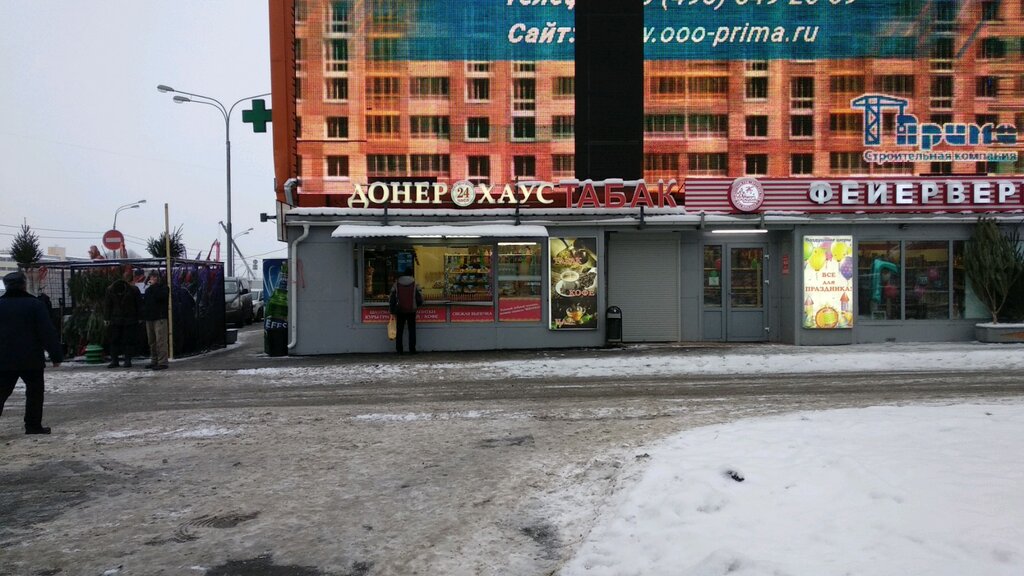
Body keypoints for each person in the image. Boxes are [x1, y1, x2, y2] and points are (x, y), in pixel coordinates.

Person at [0, 271, 63, 435]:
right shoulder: (35, 305)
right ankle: (33, 425)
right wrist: (56, 355)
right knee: (35, 392)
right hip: (31, 358)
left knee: (1, 392)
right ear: (24, 285)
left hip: (4, 358)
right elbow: (47, 332)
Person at [104, 270, 142, 368]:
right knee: (117, 340)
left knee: (124, 340)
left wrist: (107, 318)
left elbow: (139, 304)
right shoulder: (112, 290)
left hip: (125, 319)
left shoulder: (132, 290)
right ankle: (119, 360)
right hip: (121, 319)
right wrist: (107, 318)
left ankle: (122, 360)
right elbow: (107, 305)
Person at [389, 267, 423, 355]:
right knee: (412, 330)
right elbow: (420, 296)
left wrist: (392, 310)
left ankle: (399, 350)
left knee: (399, 330)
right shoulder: (415, 283)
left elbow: (392, 297)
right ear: (412, 274)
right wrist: (418, 305)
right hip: (412, 310)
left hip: (400, 310)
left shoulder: (396, 283)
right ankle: (412, 349)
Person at [142, 271, 170, 370]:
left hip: (160, 318)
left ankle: (162, 362)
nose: (152, 279)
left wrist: (154, 287)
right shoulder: (148, 290)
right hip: (149, 318)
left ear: (158, 278)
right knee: (152, 341)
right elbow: (146, 303)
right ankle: (154, 360)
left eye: (154, 277)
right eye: (151, 277)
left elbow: (160, 297)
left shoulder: (164, 288)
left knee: (160, 340)